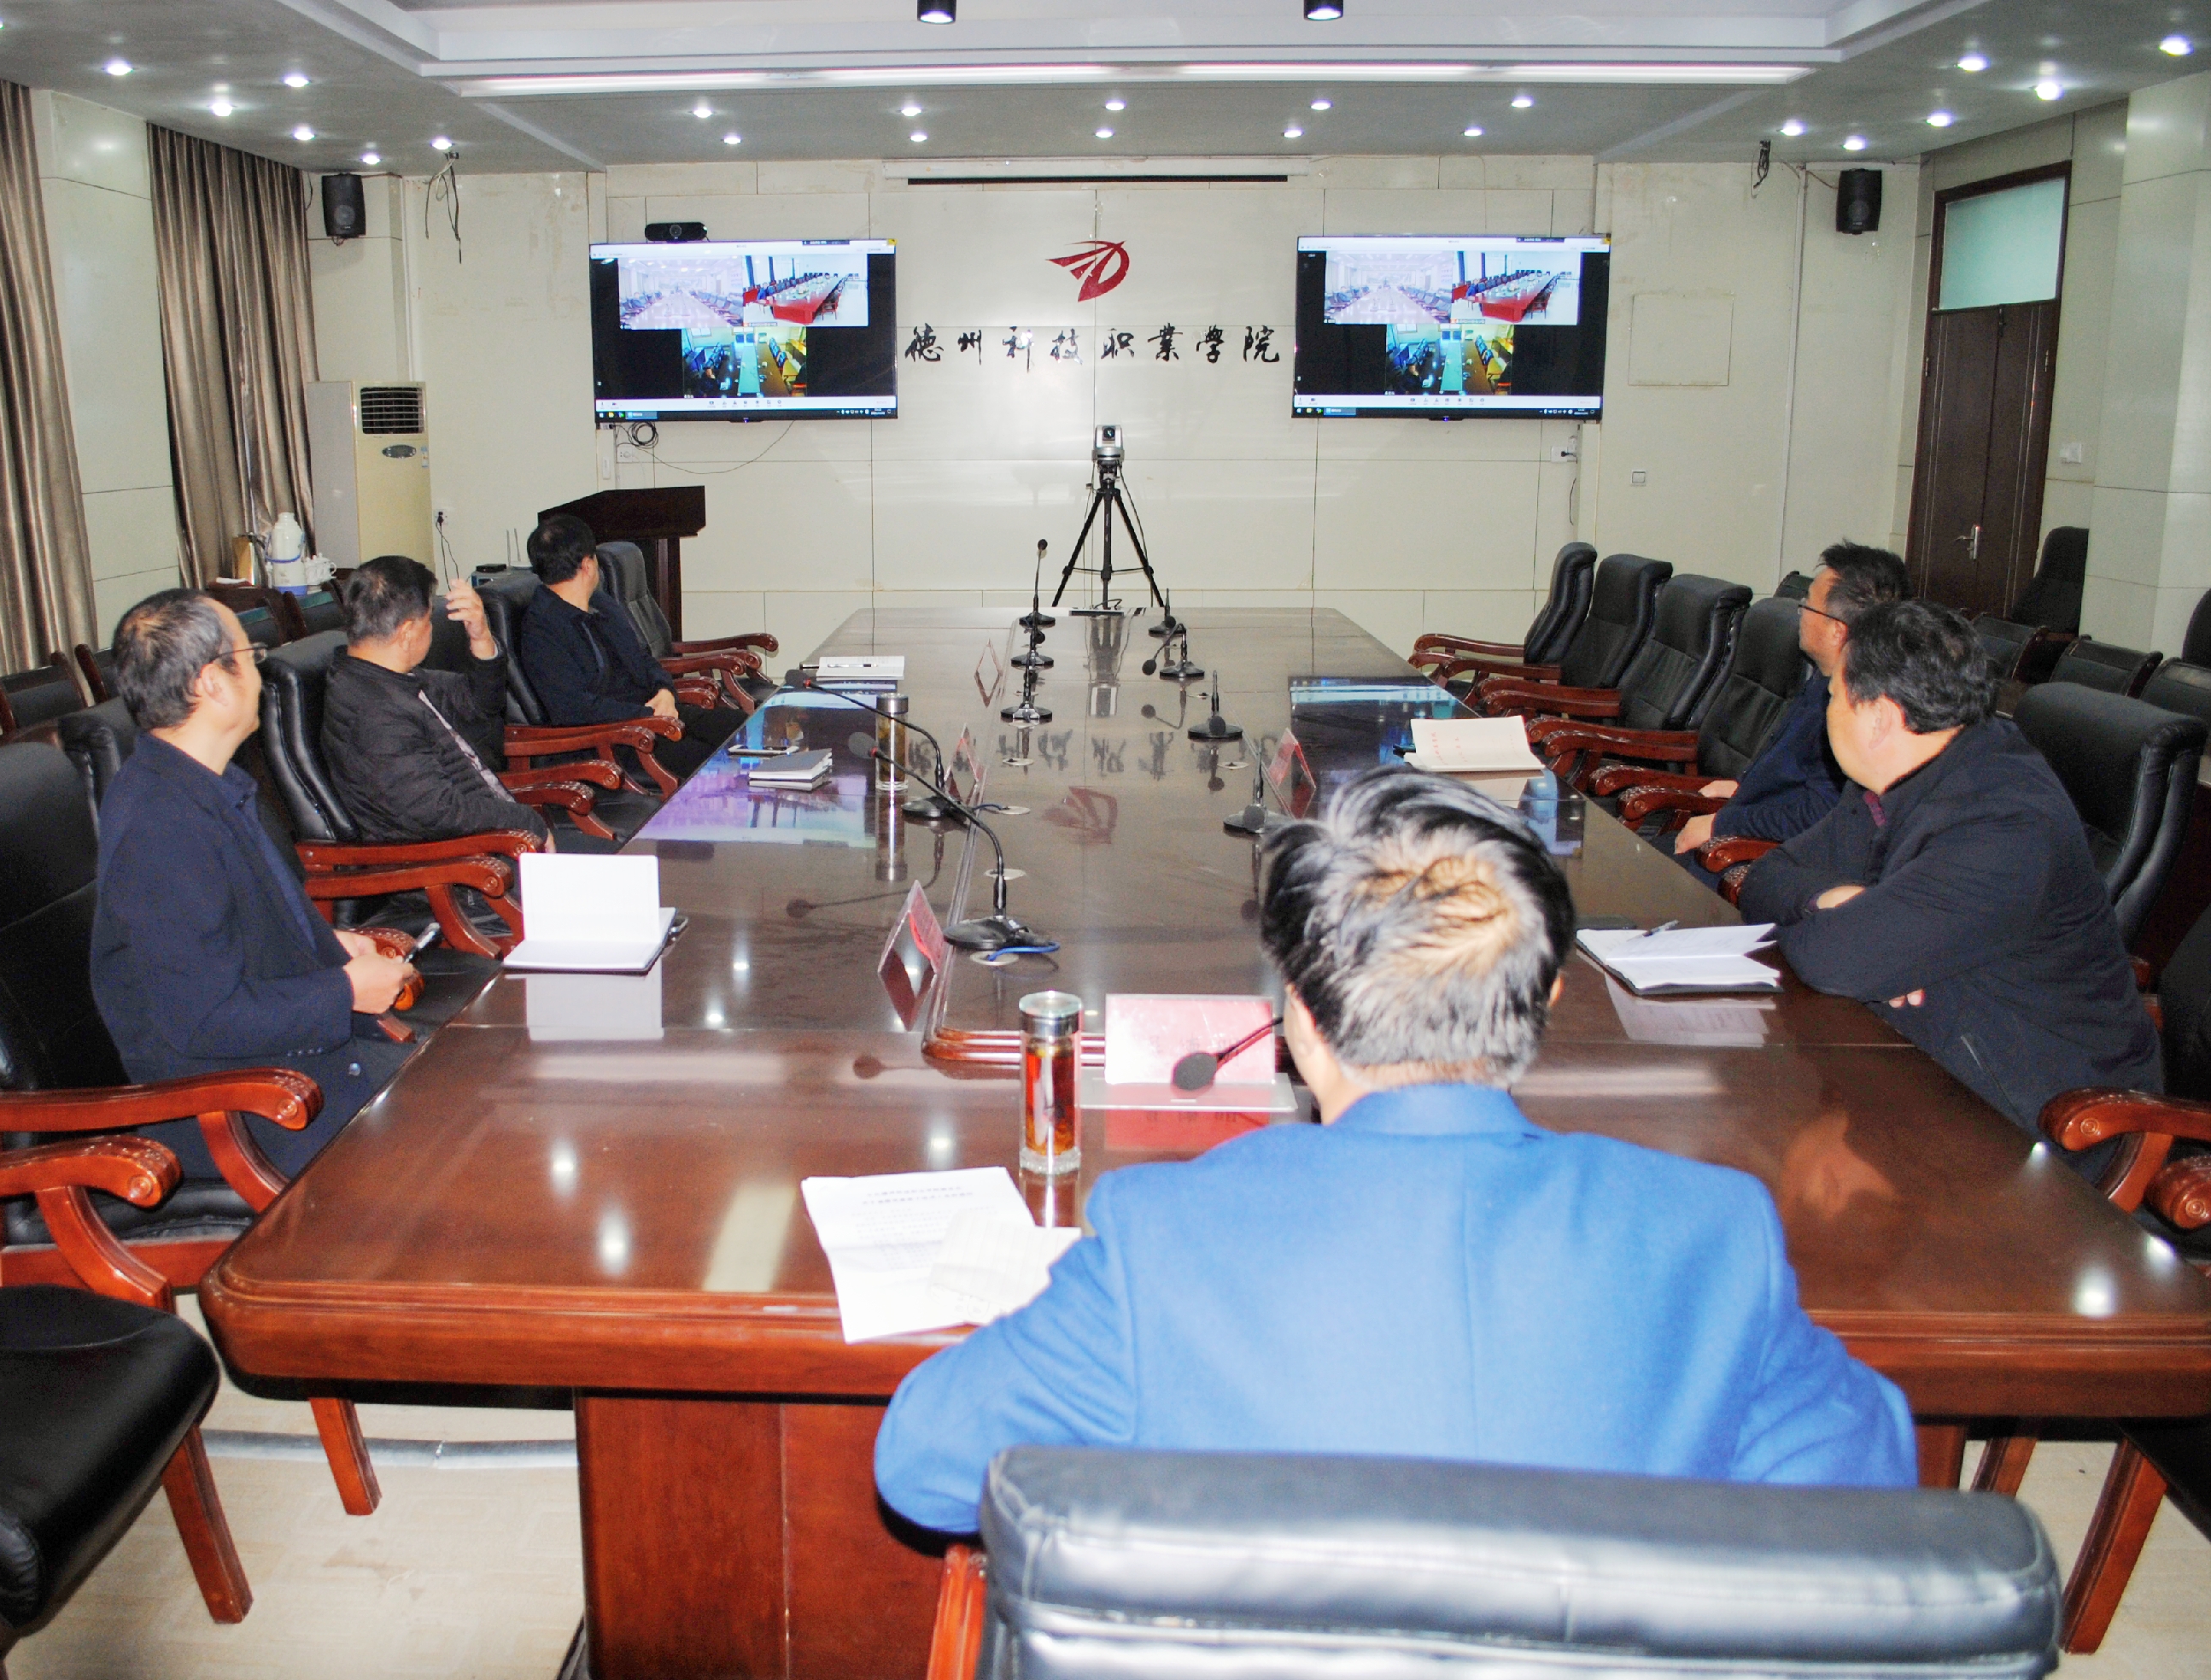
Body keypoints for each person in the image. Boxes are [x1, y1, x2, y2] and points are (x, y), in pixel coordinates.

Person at [872, 768, 1916, 1537]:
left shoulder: (1171, 1235)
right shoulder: (1712, 1237)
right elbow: (1870, 1488)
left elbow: (923, 1462)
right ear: (1547, 1002)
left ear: (1294, 1021)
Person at [1739, 599, 2161, 1163]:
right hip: (1924, 1069)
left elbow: (1833, 959)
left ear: (1880, 716)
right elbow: (1766, 879)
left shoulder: (2007, 823)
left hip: (2045, 1132)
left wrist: (1855, 938)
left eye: (1835, 696)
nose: (1827, 711)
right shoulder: (1888, 782)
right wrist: (1830, 900)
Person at [91, 588, 418, 1181]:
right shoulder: (159, 826)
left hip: (292, 1068)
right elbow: (203, 1019)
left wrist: (330, 948)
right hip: (239, 1107)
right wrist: (343, 991)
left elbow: (235, 934)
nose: (260, 672)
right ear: (211, 684)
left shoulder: (207, 786)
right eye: (249, 655)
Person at [1671, 541, 1912, 870]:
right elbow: (1795, 775)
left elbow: (1819, 813)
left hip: (1759, 858)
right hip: (1747, 820)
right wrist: (1745, 786)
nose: (1800, 612)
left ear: (1836, 632)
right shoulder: (1823, 681)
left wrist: (1722, 825)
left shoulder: (1852, 712)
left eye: (1808, 605)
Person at [323, 554, 554, 850]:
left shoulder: (389, 678)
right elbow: (439, 811)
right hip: (465, 875)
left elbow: (481, 703)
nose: (432, 627)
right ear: (407, 632)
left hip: (495, 841)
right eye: (429, 618)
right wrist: (530, 823)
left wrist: (481, 636)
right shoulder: (371, 711)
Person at [517, 514, 739, 771]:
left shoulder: (601, 604)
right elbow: (575, 709)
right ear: (588, 565)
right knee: (721, 765)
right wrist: (647, 716)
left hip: (652, 715)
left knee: (743, 730)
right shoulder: (542, 629)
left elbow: (642, 658)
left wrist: (665, 691)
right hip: (614, 739)